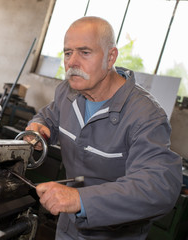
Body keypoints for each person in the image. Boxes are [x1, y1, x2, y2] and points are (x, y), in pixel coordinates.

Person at [25, 16, 182, 239]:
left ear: (111, 57)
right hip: (68, 227)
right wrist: (38, 127)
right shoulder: (67, 92)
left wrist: (80, 200)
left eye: (85, 52)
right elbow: (49, 116)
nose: (72, 63)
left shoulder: (145, 116)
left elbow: (158, 187)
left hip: (114, 233)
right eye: (68, 53)